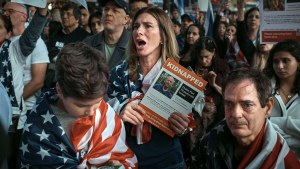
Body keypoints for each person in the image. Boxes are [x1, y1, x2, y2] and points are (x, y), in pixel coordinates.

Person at [18, 42, 137, 168]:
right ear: (60, 91)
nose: (91, 112)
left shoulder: (105, 113)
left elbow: (121, 155)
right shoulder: (36, 130)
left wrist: (116, 165)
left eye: (97, 102)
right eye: (81, 106)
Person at [107, 7, 191, 168]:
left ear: (163, 36)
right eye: (136, 26)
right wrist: (120, 109)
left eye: (147, 26)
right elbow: (102, 111)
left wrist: (183, 128)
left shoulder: (181, 76)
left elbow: (190, 123)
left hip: (169, 159)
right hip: (127, 158)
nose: (139, 31)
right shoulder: (118, 72)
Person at [191, 68, 300, 168]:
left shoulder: (284, 162)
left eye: (247, 105)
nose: (236, 114)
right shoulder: (209, 142)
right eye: (229, 104)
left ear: (267, 108)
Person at [1, 2, 49, 168]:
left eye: (10, 11)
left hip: (11, 121)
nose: (6, 14)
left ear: (7, 35)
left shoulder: (16, 49)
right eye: (3, 11)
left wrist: (43, 8)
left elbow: (33, 32)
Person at [264, 39, 300, 157]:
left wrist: (274, 121)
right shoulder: (264, 88)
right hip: (268, 156)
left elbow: (267, 123)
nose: (280, 66)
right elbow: (259, 125)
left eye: (286, 61)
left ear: (298, 62)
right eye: (276, 61)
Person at [84, 0, 130, 69]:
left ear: (126, 19)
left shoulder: (135, 43)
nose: (108, 13)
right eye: (106, 9)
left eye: (115, 11)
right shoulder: (88, 43)